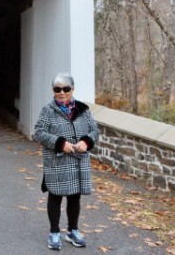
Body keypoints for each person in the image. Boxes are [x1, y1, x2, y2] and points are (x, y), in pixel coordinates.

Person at [34, 73, 99, 250]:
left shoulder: (83, 110)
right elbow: (38, 133)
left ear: (72, 89)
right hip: (57, 161)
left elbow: (95, 131)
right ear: (53, 91)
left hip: (78, 162)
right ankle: (54, 232)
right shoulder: (47, 110)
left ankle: (72, 231)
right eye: (57, 89)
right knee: (55, 196)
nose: (61, 92)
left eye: (66, 89)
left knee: (74, 197)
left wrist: (86, 141)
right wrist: (60, 143)